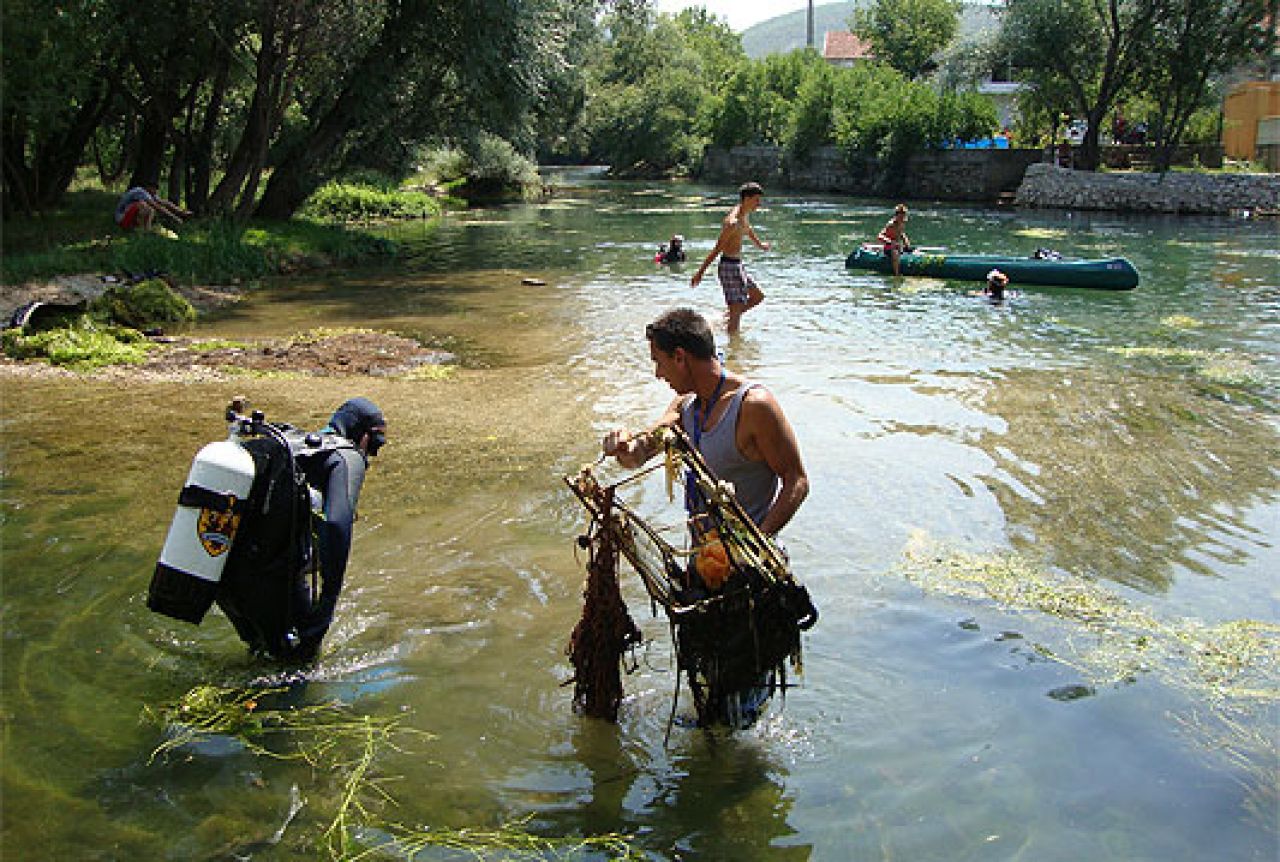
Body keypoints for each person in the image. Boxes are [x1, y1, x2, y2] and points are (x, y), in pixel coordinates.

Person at [603, 308, 808, 538]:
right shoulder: (685, 406)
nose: (658, 374)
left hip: (748, 563)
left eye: (659, 362)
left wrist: (758, 542)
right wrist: (622, 446)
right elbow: (639, 454)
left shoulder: (753, 406)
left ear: (680, 357)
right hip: (704, 559)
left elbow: (797, 481)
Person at [218, 397, 387, 662]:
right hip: (272, 578)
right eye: (376, 444)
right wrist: (328, 603)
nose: (372, 454)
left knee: (260, 658)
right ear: (363, 435)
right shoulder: (347, 456)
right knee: (297, 668)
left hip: (225, 573)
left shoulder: (293, 447)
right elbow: (336, 524)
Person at [690, 182, 771, 334]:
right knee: (736, 319)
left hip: (738, 265)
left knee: (757, 296)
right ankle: (733, 351)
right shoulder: (731, 223)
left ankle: (725, 318)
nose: (758, 204)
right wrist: (700, 273)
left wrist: (760, 245)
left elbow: (748, 229)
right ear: (747, 199)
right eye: (756, 200)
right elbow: (717, 249)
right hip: (728, 267)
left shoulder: (744, 213)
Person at [114, 185, 192, 231]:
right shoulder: (141, 192)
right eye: (154, 190)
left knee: (149, 207)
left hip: (128, 217)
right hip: (122, 219)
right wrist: (175, 218)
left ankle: (143, 229)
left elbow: (163, 202)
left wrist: (180, 212)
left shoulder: (149, 193)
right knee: (147, 207)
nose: (156, 193)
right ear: (149, 188)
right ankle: (146, 231)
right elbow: (157, 207)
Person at [877, 203, 913, 276]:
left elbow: (901, 233)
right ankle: (896, 274)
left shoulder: (902, 222)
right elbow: (880, 236)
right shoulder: (891, 224)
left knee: (913, 250)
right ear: (897, 215)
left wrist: (906, 242)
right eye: (901, 216)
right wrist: (890, 242)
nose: (902, 218)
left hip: (898, 246)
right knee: (895, 253)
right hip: (889, 247)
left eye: (904, 215)